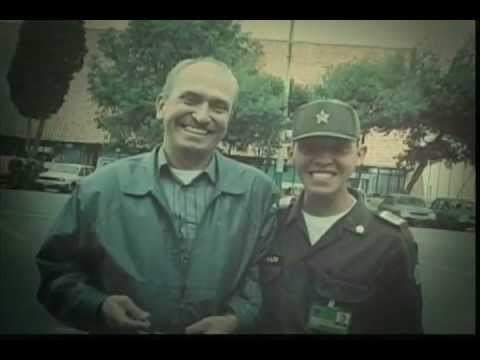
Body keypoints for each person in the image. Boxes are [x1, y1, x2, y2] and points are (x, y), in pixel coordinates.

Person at [36, 57, 279, 334]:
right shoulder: (99, 189)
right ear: (161, 106)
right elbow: (57, 271)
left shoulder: (259, 192)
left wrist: (237, 319)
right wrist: (98, 306)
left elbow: (262, 276)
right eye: (190, 99)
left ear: (229, 119)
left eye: (219, 106)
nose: (202, 116)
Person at [259, 99, 423, 334]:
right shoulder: (270, 223)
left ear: (360, 154)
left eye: (339, 148)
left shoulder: (389, 240)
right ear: (290, 153)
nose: (324, 159)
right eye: (310, 147)